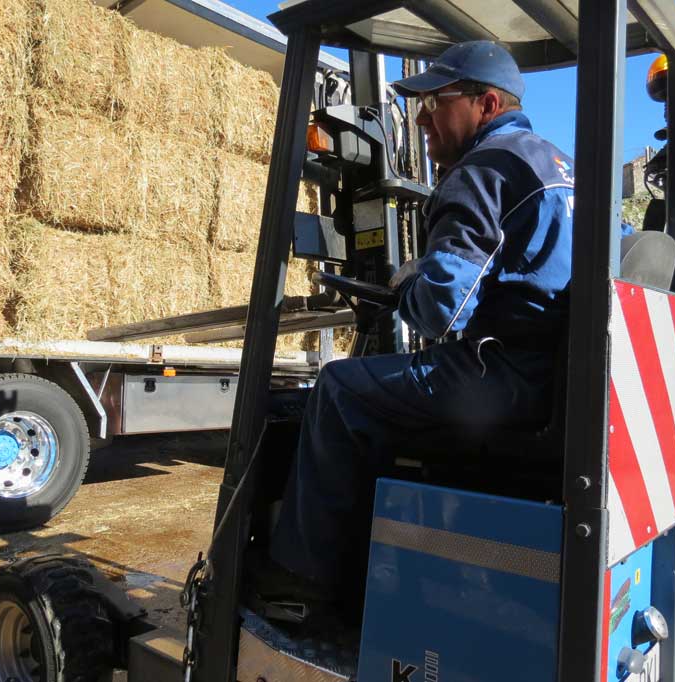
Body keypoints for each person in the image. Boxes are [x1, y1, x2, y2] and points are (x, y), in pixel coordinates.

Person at [253, 41, 580, 616]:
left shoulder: (483, 171)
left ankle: (297, 581)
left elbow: (443, 311)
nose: (422, 117)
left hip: (498, 377)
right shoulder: (556, 164)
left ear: (487, 103)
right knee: (369, 392)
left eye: (435, 100)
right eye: (420, 102)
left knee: (336, 389)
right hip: (550, 378)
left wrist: (409, 288)